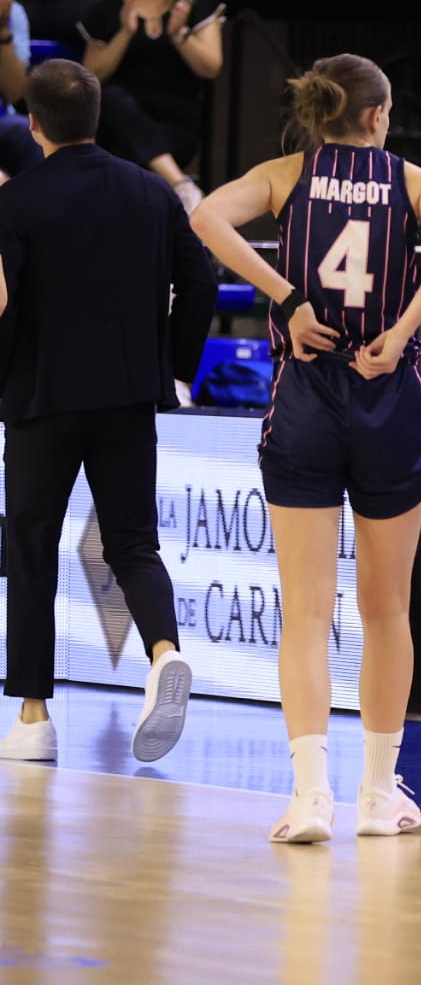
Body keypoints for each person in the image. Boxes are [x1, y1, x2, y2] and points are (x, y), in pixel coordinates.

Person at [190, 53, 421, 843]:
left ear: (320, 114)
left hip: (308, 396)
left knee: (307, 613)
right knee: (386, 609)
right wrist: (403, 328)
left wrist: (284, 299)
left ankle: (309, 795)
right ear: (380, 116)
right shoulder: (409, 181)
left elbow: (206, 215)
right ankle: (378, 793)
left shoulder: (288, 174)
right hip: (385, 393)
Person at [0, 59, 216, 764]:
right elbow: (203, 274)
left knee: (32, 548)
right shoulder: (151, 193)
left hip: (40, 399)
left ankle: (33, 719)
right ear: (97, 118)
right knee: (132, 542)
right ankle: (161, 653)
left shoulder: (18, 201)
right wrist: (177, 367)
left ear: (33, 125)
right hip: (128, 396)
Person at [82, 0, 222, 212]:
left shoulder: (194, 7)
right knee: (111, 98)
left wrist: (179, 35)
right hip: (116, 121)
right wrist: (124, 33)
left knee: (124, 159)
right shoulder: (110, 9)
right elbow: (91, 77)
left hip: (174, 126)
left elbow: (211, 67)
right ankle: (181, 187)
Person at [0, 0, 42, 181]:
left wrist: (1, 31)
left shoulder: (11, 11)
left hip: (4, 124)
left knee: (27, 131)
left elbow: (16, 94)